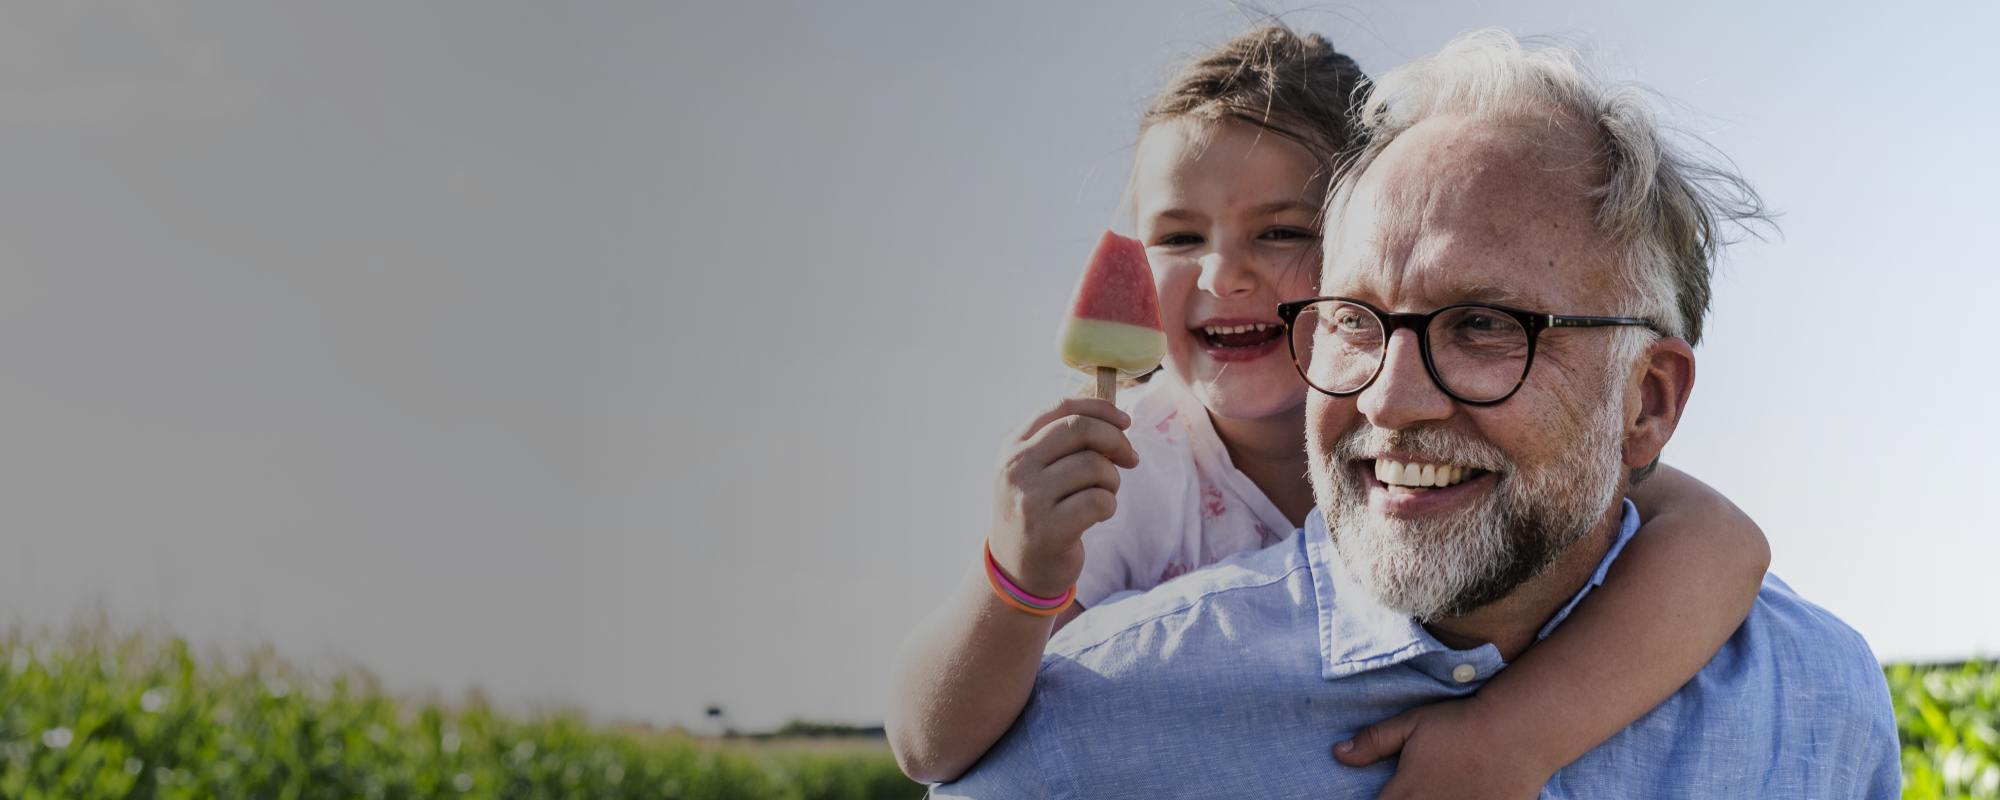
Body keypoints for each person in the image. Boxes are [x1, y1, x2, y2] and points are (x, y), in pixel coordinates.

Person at [930, 29, 1898, 798]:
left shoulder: (1819, 698)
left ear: (1646, 402)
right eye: (1356, 320)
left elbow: (1715, 534)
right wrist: (1017, 575)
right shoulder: (1089, 723)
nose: (1390, 396)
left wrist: (1510, 736)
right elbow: (930, 740)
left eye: (1482, 324)